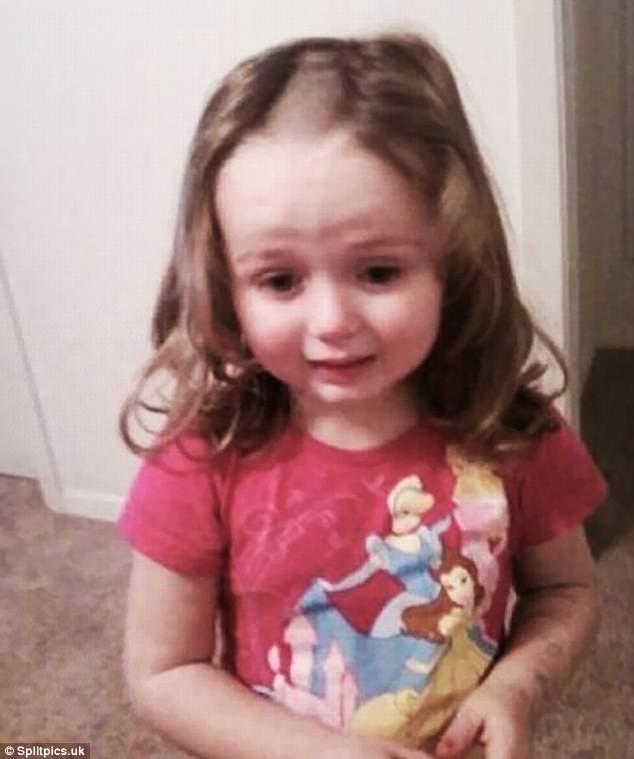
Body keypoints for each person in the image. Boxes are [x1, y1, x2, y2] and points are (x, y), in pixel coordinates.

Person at [118, 32, 607, 759]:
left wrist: (513, 689)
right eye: (280, 280)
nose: (332, 321)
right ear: (226, 285)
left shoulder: (508, 426)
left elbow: (567, 592)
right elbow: (164, 672)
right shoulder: (202, 455)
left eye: (378, 272)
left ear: (452, 262)